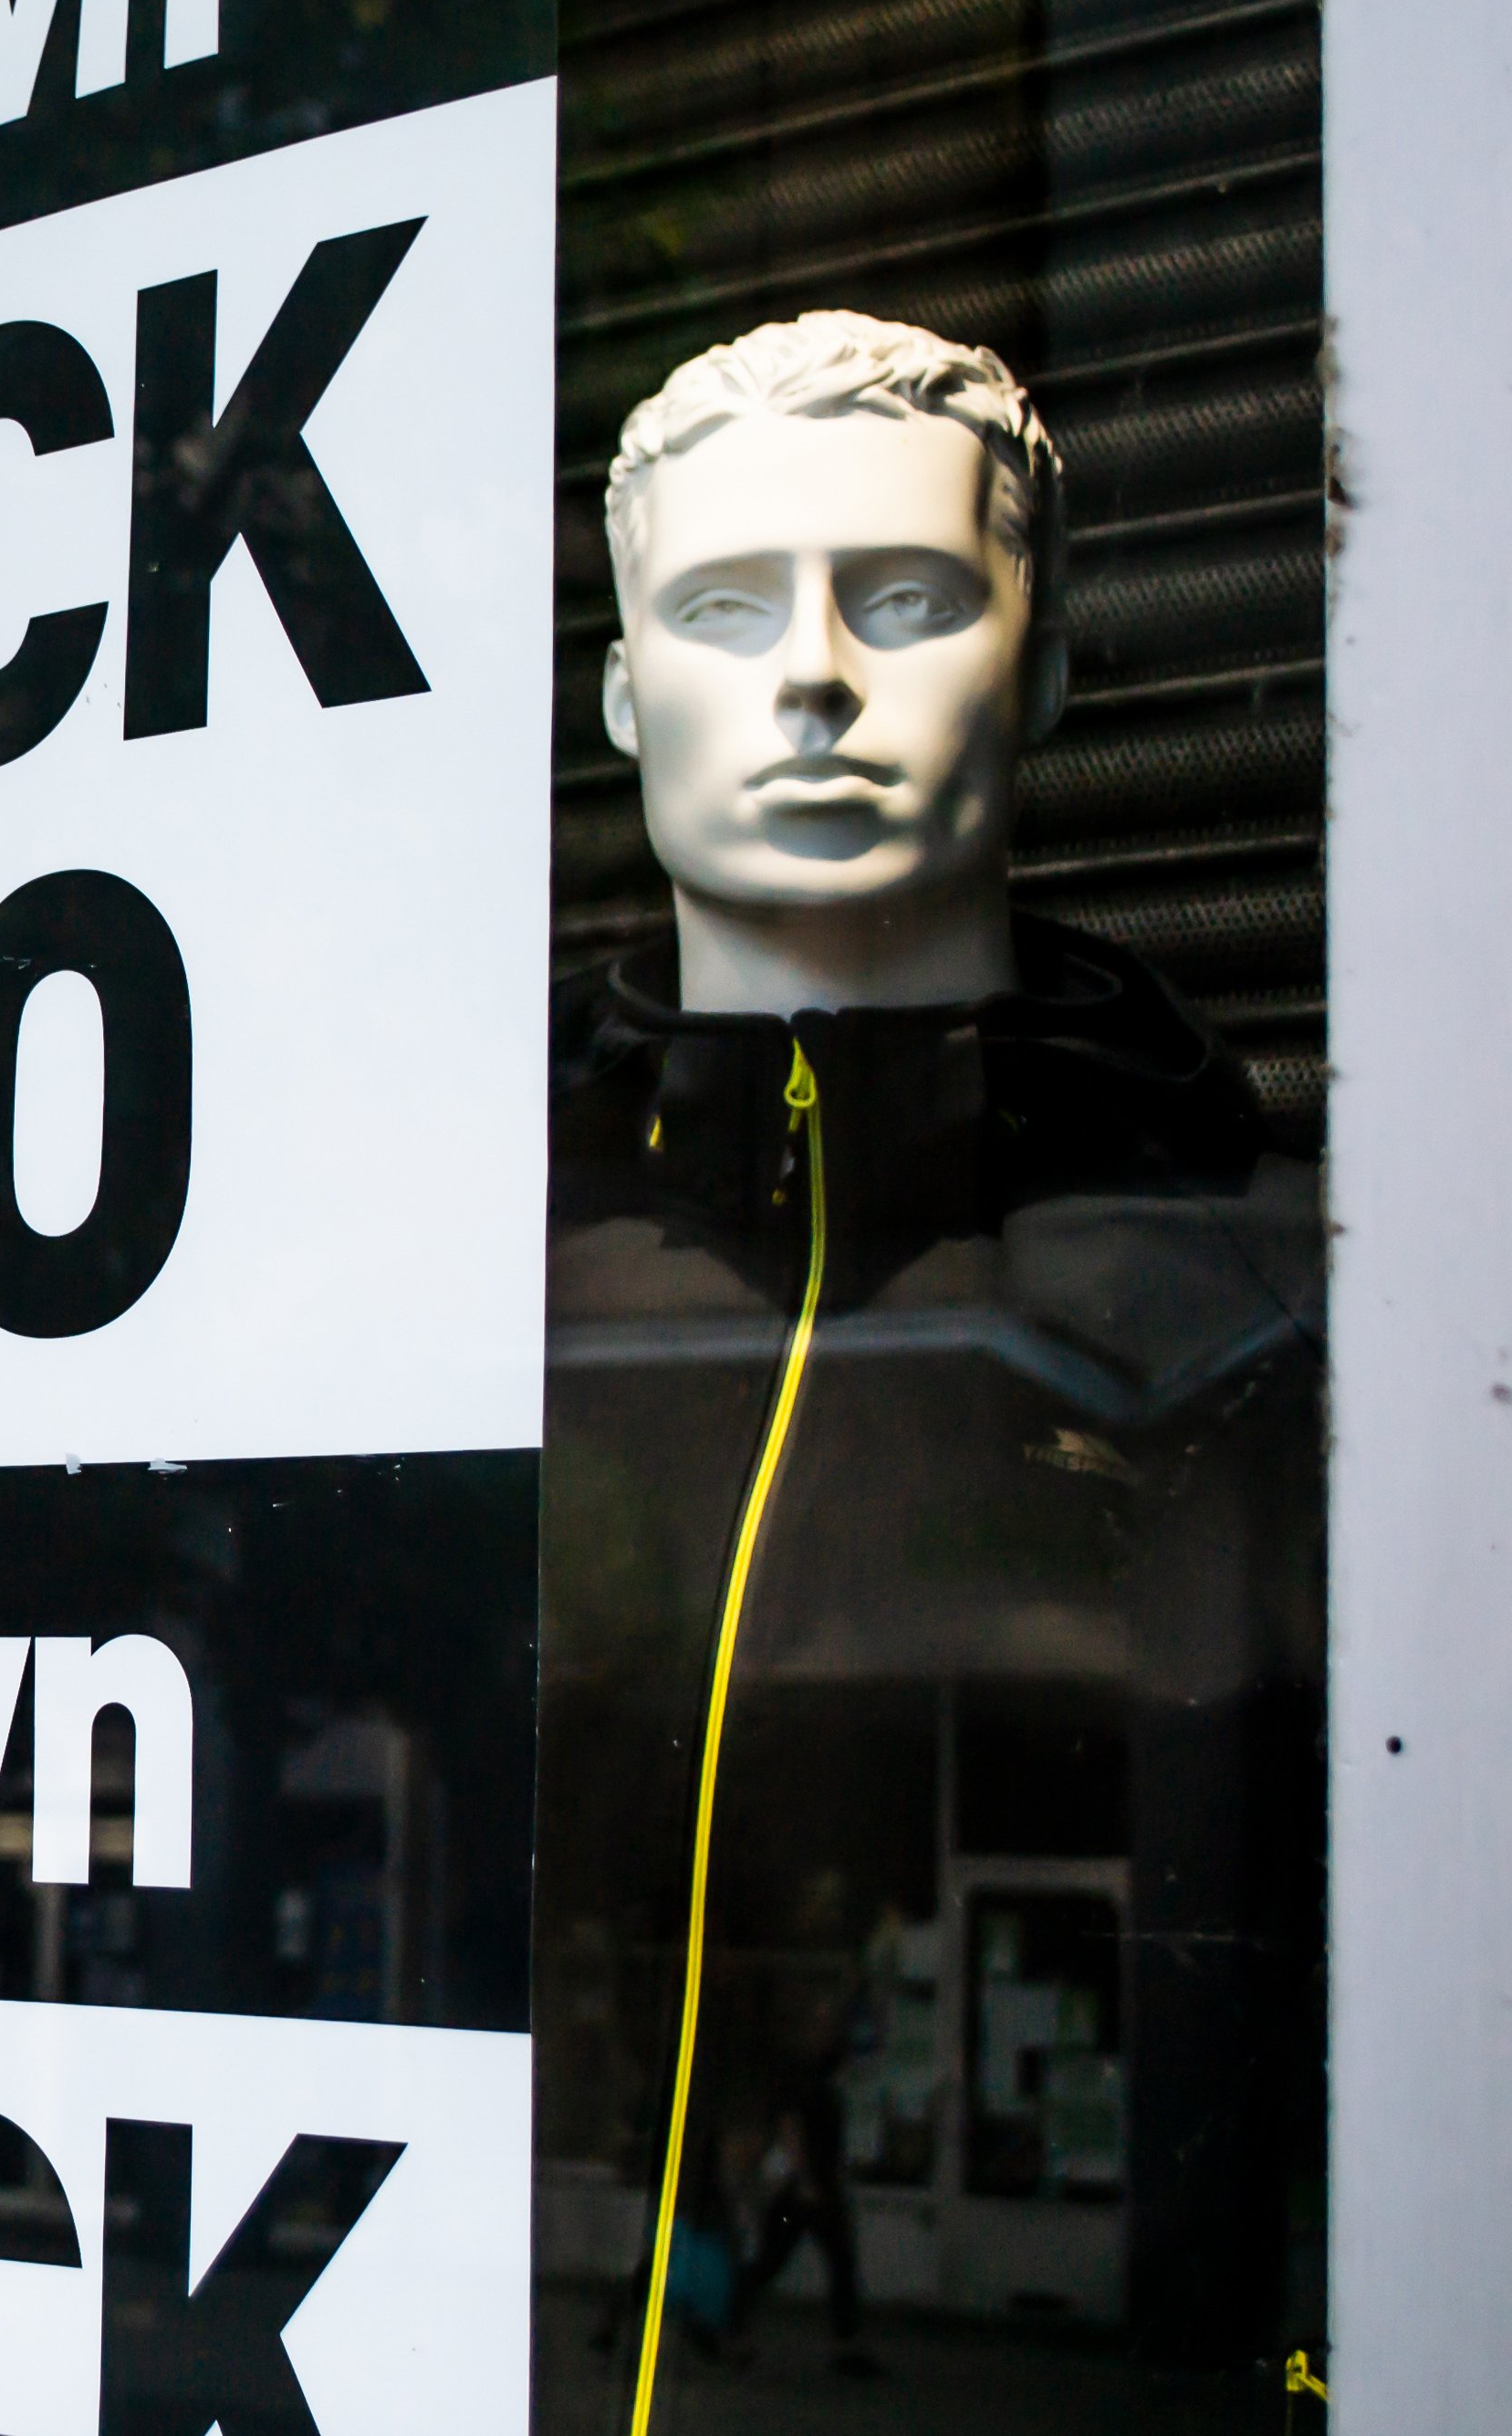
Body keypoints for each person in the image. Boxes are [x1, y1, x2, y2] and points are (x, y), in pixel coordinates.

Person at [542, 313, 1320, 2391]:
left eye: (905, 600)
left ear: (1045, 671)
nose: (813, 674)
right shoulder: (499, 1294)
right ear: (627, 700)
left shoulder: (1250, 1297)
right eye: (724, 610)